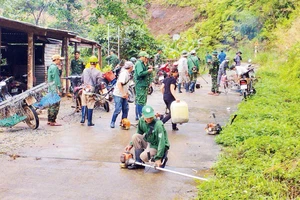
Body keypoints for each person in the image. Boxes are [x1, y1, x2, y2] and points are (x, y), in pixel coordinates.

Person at [125, 105, 170, 169]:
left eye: (151, 117)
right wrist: (131, 144)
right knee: (135, 137)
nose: (149, 119)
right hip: (150, 141)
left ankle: (162, 157)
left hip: (157, 145)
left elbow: (161, 142)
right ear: (143, 115)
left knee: (143, 156)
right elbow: (139, 132)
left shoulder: (158, 125)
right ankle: (139, 163)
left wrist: (158, 158)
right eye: (147, 118)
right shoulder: (141, 120)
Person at [110, 61, 134, 128]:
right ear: (131, 67)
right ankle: (112, 122)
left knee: (125, 109)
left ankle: (123, 122)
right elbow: (119, 84)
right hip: (118, 94)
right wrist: (123, 93)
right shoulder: (124, 74)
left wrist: (126, 93)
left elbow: (126, 85)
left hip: (124, 94)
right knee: (118, 109)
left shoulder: (128, 74)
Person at [80, 55, 102, 126]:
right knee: (90, 105)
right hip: (91, 90)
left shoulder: (85, 70)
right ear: (96, 63)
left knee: (84, 103)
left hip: (84, 88)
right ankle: (89, 122)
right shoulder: (98, 72)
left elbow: (82, 79)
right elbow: (99, 83)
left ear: (90, 63)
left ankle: (83, 119)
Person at [134, 51, 153, 120]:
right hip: (140, 84)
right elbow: (140, 73)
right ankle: (141, 117)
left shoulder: (143, 63)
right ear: (141, 57)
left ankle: (138, 116)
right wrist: (148, 71)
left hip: (143, 84)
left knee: (141, 100)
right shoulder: (139, 63)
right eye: (145, 57)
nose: (146, 59)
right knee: (140, 101)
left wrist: (147, 68)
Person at [47, 54, 63, 126]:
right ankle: (53, 121)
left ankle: (49, 120)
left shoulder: (51, 67)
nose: (60, 61)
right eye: (60, 60)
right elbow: (57, 79)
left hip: (50, 88)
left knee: (51, 104)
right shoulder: (55, 68)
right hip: (55, 88)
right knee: (55, 105)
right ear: (56, 60)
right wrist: (59, 89)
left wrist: (60, 69)